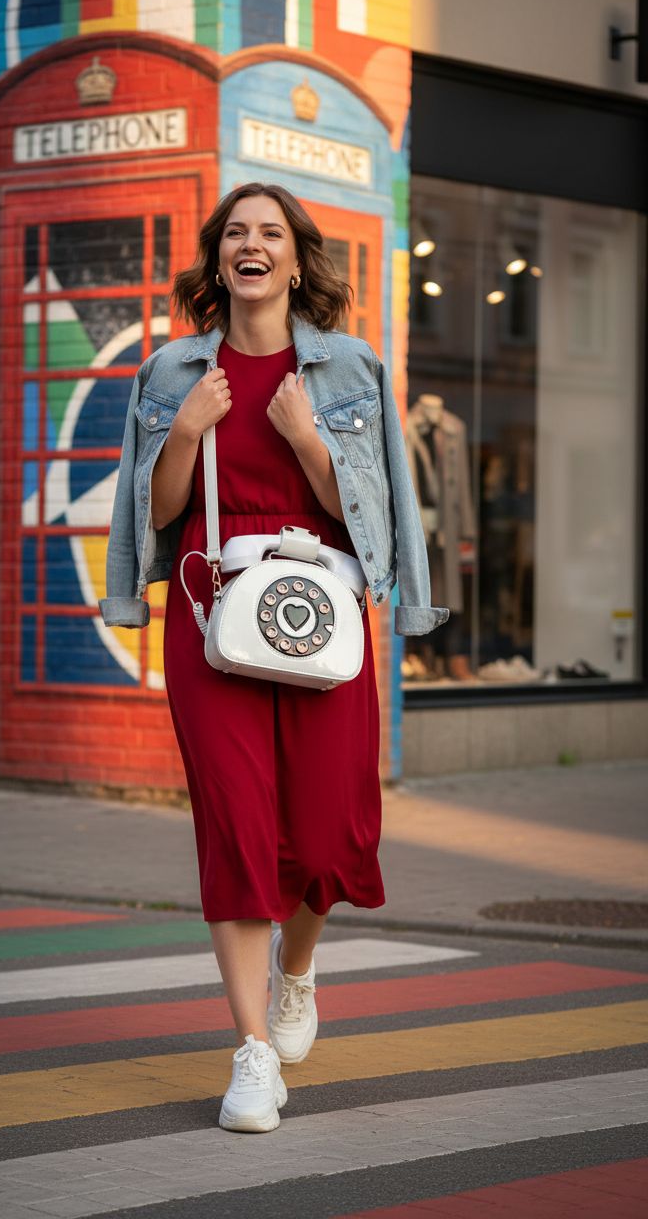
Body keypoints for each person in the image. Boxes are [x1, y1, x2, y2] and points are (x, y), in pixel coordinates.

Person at [101, 182, 448, 1134]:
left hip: (323, 608)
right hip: (212, 617)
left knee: (333, 828)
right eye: (236, 234)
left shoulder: (347, 369)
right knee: (239, 825)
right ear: (220, 259)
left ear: (298, 260)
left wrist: (306, 441)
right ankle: (253, 1051)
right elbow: (159, 511)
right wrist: (184, 431)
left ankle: (297, 971)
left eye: (272, 234)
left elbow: (375, 513)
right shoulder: (175, 370)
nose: (252, 246)